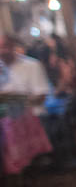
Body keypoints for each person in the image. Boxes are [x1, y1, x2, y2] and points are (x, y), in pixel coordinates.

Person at [0, 33, 53, 174]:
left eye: (4, 47)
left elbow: (41, 98)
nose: (2, 52)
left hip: (34, 117)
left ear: (13, 46)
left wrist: (14, 99)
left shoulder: (32, 65)